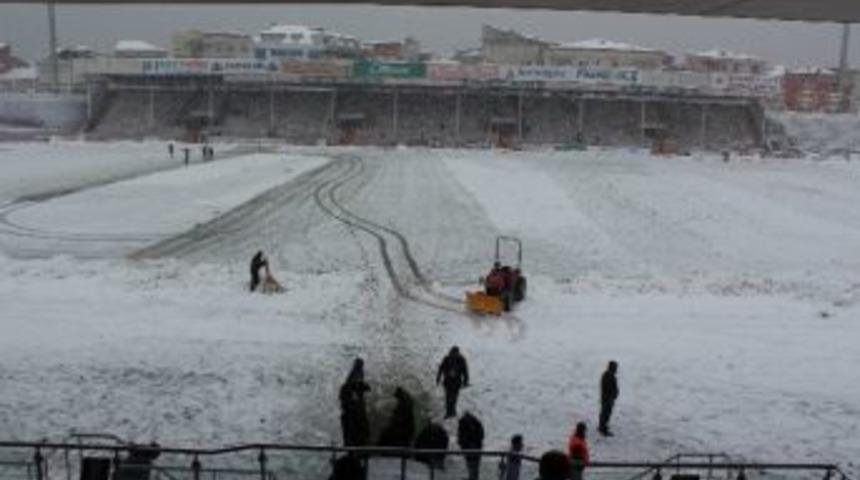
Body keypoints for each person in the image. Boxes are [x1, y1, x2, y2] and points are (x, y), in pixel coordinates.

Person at [339, 358, 370, 447]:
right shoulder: (355, 377)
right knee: (354, 435)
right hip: (352, 412)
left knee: (352, 436)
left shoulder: (354, 377)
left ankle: (353, 452)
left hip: (352, 412)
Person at [436, 346, 469, 418]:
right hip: (448, 382)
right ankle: (449, 412)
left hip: (455, 382)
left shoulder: (461, 360)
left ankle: (452, 411)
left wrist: (466, 381)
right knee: (448, 397)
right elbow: (441, 368)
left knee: (453, 397)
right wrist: (438, 378)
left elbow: (465, 371)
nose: (454, 355)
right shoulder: (447, 359)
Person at [458, 411, 484, 480]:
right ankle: (473, 477)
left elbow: (460, 436)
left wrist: (462, 444)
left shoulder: (463, 423)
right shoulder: (477, 422)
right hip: (476, 447)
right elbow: (481, 435)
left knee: (471, 463)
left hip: (469, 447)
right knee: (475, 464)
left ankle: (472, 477)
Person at [598, 361, 619, 436]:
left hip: (607, 398)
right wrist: (613, 395)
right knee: (606, 413)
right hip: (607, 399)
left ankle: (602, 426)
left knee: (605, 413)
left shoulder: (609, 375)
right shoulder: (609, 375)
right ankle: (603, 429)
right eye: (615, 367)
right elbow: (609, 388)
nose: (616, 369)